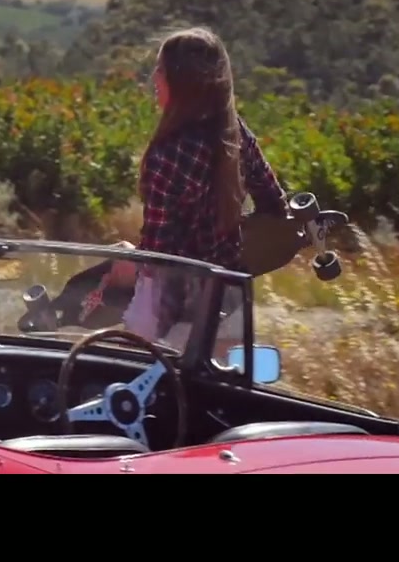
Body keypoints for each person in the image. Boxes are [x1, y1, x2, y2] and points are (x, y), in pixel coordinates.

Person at [108, 27, 287, 352]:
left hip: (178, 322)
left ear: (180, 82)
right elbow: (274, 206)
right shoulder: (236, 133)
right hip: (231, 305)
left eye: (161, 70)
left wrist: (129, 261)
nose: (154, 78)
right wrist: (230, 247)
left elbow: (160, 258)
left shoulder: (168, 153)